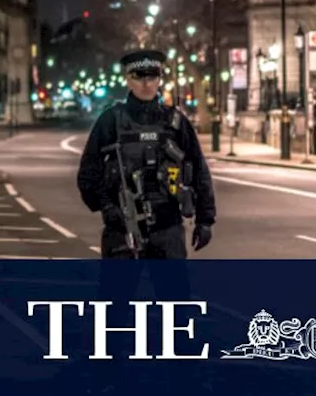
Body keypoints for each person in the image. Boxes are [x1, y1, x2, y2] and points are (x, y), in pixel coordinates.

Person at [76, 49, 217, 259]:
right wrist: (106, 207)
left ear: (160, 79)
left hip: (167, 226)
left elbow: (198, 170)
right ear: (128, 80)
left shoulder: (176, 123)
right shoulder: (111, 121)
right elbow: (88, 171)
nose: (146, 84)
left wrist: (205, 220)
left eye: (152, 77)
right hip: (122, 229)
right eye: (139, 77)